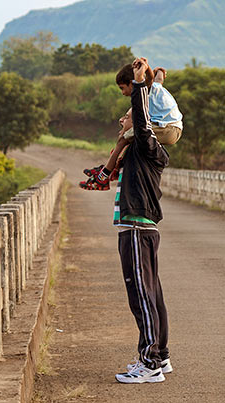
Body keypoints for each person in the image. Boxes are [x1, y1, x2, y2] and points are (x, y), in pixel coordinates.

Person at [108, 57, 171, 384]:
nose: (123, 117)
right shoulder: (142, 151)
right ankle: (161, 354)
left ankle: (150, 364)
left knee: (142, 296)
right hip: (141, 227)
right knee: (153, 293)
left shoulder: (147, 145)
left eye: (128, 114)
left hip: (135, 228)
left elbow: (144, 122)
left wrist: (140, 86)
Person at [80, 60, 182, 191]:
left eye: (123, 88)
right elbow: (158, 76)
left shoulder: (145, 90)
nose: (122, 93)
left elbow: (153, 77)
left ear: (133, 83)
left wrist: (146, 69)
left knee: (123, 139)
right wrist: (150, 67)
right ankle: (110, 169)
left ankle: (104, 176)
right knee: (130, 141)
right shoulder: (156, 87)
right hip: (174, 128)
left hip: (167, 130)